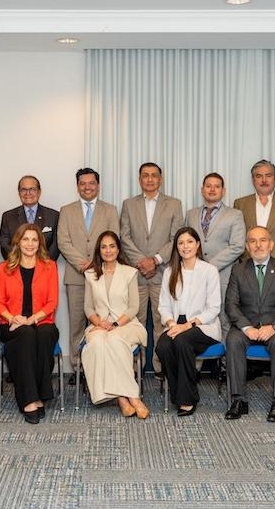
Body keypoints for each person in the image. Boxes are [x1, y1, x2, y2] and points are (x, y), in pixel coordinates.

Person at [224, 226, 275, 422]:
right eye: (253, 241)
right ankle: (238, 399)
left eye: (263, 240)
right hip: (247, 326)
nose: (258, 245)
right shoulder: (238, 270)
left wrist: (273, 327)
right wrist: (246, 327)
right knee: (233, 340)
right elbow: (231, 304)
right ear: (247, 247)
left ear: (271, 244)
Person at [120, 162, 184, 376]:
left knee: (161, 322)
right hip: (136, 274)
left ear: (160, 179)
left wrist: (155, 260)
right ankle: (132, 368)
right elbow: (124, 237)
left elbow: (176, 238)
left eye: (154, 175)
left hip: (162, 273)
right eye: (145, 175)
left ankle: (160, 367)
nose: (149, 179)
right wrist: (142, 261)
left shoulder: (174, 204)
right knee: (134, 322)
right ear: (140, 180)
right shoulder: (128, 204)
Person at [0, 224, 60, 424]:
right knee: (26, 334)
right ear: (18, 242)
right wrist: (13, 318)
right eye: (25, 239)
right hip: (12, 324)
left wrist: (31, 319)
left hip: (41, 320)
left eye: (34, 239)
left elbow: (52, 302)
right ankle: (30, 399)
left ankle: (40, 394)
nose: (30, 244)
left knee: (45, 334)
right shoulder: (5, 267)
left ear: (40, 243)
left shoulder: (50, 266)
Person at [57, 168, 119, 381]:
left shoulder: (110, 210)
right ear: (77, 186)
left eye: (91, 183)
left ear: (98, 185)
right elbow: (63, 241)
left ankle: (101, 366)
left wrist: (96, 264)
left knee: (102, 322)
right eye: (83, 183)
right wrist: (83, 264)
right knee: (76, 325)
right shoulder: (66, 210)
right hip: (76, 277)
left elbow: (114, 239)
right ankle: (78, 368)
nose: (87, 187)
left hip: (104, 276)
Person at [81, 231, 149, 418]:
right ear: (99, 250)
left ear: (118, 249)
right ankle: (124, 398)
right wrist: (100, 323)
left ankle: (130, 397)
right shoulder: (90, 274)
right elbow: (88, 307)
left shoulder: (129, 272)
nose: (108, 250)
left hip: (126, 324)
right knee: (96, 343)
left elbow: (134, 306)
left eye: (112, 246)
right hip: (99, 325)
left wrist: (116, 324)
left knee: (115, 340)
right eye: (104, 247)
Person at [155, 227, 222, 416]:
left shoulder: (209, 270)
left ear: (198, 244)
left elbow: (214, 308)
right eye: (181, 243)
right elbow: (164, 306)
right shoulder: (170, 271)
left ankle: (187, 399)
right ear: (176, 247)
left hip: (202, 325)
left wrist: (187, 326)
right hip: (176, 323)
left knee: (182, 341)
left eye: (190, 242)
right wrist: (171, 324)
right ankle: (179, 392)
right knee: (163, 346)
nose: (185, 246)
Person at [184, 172, 245, 335]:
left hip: (223, 276)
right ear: (202, 189)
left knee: (224, 319)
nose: (212, 189)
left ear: (223, 191)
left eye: (217, 186)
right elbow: (185, 242)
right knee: (196, 318)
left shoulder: (235, 214)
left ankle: (224, 352)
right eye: (208, 186)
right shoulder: (191, 214)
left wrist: (208, 266)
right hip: (194, 277)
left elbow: (238, 246)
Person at [233, 159, 275, 261]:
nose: (264, 180)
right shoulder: (240, 204)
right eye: (259, 176)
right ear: (253, 180)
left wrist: (269, 259)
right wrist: (254, 258)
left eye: (268, 175)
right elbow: (237, 236)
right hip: (249, 263)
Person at [0, 175, 60, 260]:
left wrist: (42, 263)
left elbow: (55, 245)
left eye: (32, 189)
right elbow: (4, 244)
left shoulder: (53, 216)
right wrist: (22, 263)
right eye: (23, 189)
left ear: (39, 192)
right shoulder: (8, 216)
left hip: (45, 265)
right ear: (19, 193)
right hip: (16, 265)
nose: (28, 193)